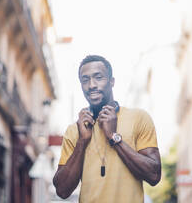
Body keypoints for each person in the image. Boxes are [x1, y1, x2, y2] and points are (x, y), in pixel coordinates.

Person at [53, 55, 161, 203]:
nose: (91, 85)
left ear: (112, 82)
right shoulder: (75, 130)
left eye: (98, 77)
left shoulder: (139, 118)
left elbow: (154, 175)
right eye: (85, 80)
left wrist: (113, 137)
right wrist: (82, 141)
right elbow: (62, 190)